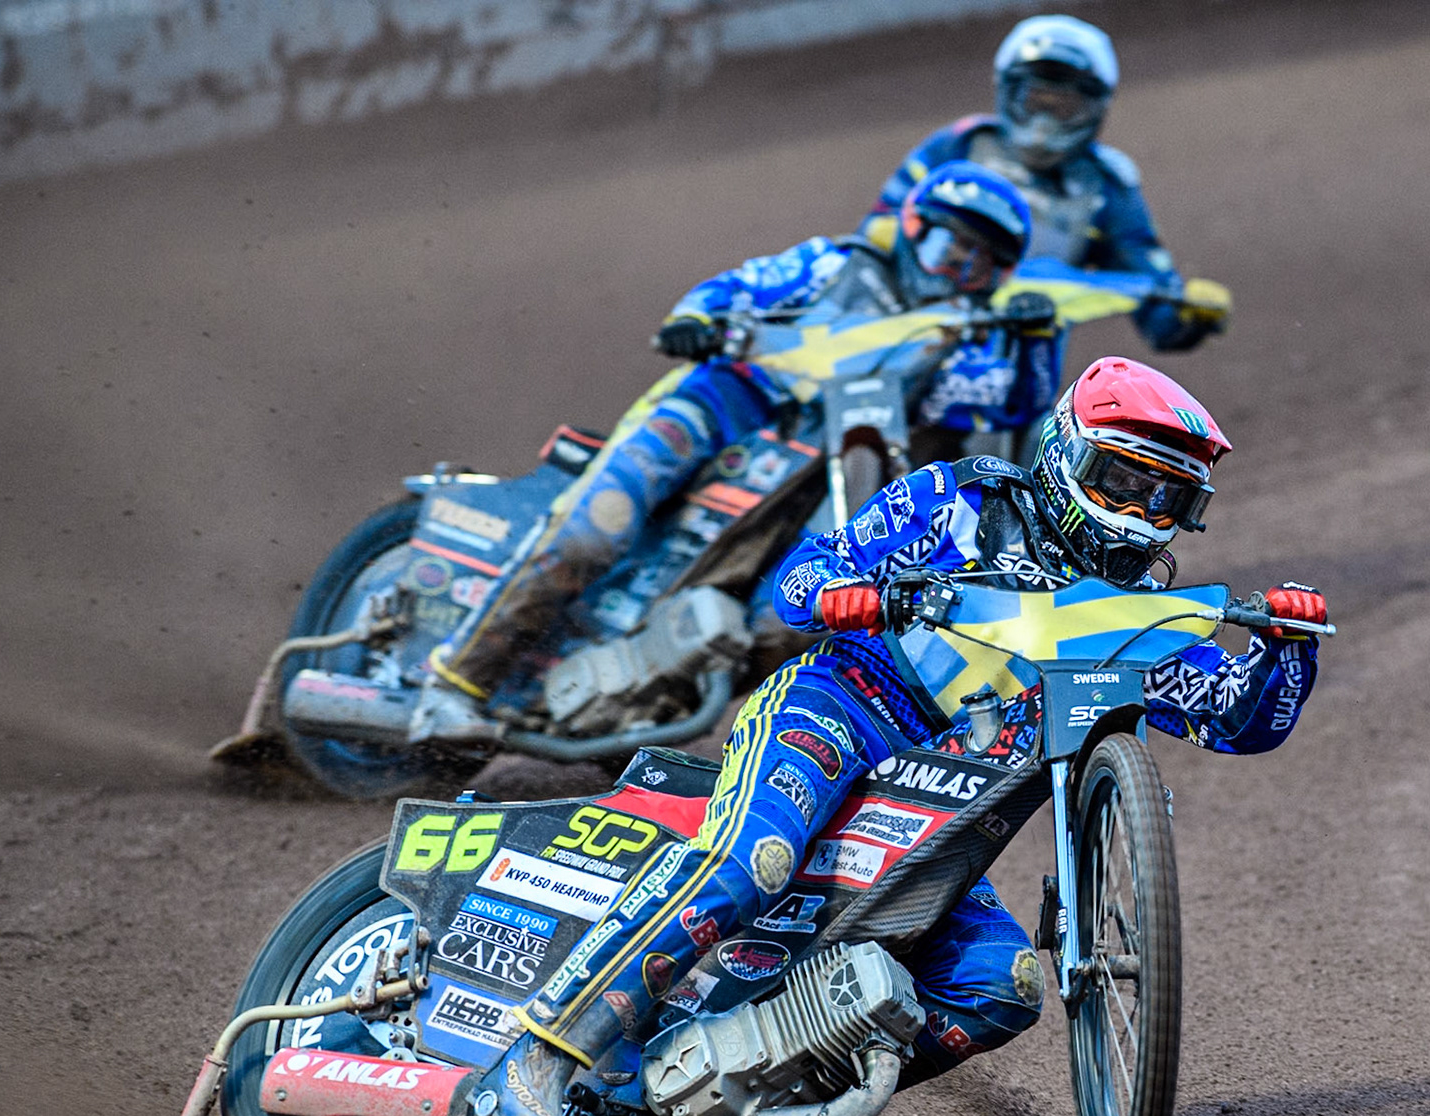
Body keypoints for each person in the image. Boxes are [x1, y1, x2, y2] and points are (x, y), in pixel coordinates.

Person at [474, 355, 1328, 1116]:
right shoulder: (965, 500)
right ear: (1068, 455)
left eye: (1169, 500)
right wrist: (871, 590)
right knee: (751, 860)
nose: (1141, 514)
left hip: (948, 806)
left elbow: (1242, 722)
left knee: (1002, 985)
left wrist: (1289, 648)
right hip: (843, 709)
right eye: (1124, 483)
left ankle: (762, 1100)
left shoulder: (1148, 616)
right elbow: (803, 582)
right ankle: (537, 1055)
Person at [410, 161, 1054, 743]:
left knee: (796, 614)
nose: (957, 272)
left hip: (813, 473)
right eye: (949, 249)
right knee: (593, 533)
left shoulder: (957, 348)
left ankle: (647, 695)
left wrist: (1034, 339)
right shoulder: (836, 265)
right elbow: (737, 288)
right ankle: (451, 683)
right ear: (913, 228)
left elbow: (1010, 405)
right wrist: (699, 316)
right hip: (721, 407)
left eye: (978, 264)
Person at [862, 13, 1230, 354]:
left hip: (1015, 368)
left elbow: (1158, 313)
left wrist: (1190, 317)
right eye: (1035, 100)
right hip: (904, 340)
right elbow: (870, 242)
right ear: (1007, 91)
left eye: (1063, 108)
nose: (1043, 124)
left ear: (1095, 109)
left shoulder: (1105, 188)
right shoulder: (959, 145)